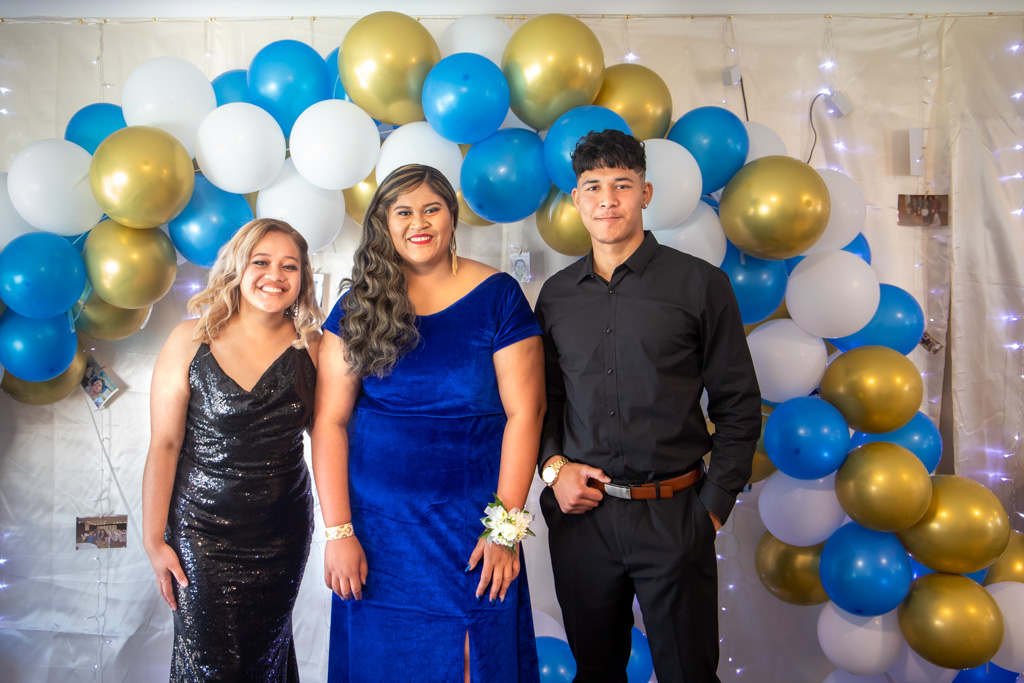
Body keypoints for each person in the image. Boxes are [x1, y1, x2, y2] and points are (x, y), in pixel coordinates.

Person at [535, 130, 761, 683]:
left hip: (676, 515)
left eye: (622, 185)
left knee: (688, 674)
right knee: (596, 673)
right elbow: (546, 401)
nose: (607, 199)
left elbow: (738, 401)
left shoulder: (700, 285)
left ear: (646, 193)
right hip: (584, 519)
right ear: (575, 200)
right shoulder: (556, 296)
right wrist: (554, 468)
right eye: (592, 187)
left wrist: (710, 509)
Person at [312, 164, 544, 683]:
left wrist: (505, 530)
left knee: (473, 659)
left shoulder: (500, 295)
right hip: (376, 535)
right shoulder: (356, 307)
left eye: (431, 208)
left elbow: (526, 414)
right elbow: (328, 421)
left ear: (451, 217)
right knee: (382, 664)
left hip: (471, 528)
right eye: (403, 211)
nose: (419, 222)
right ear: (384, 224)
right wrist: (338, 532)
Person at [141, 218, 322, 681]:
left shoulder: (316, 348)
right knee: (209, 663)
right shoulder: (189, 339)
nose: (275, 275)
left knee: (265, 656)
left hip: (281, 533)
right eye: (261, 262)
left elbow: (332, 439)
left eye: (290, 266)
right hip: (200, 532)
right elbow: (164, 444)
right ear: (238, 267)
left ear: (302, 278)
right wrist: (152, 539)